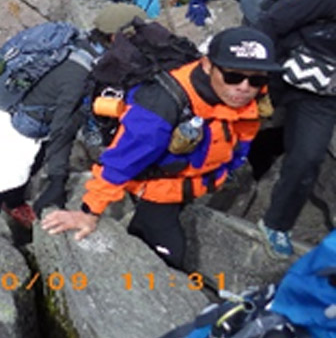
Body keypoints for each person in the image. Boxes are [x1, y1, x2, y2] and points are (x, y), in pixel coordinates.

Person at [41, 26, 281, 269]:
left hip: (194, 181)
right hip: (159, 189)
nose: (244, 87)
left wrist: (230, 166)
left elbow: (243, 134)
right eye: (233, 76)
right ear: (208, 65)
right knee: (169, 258)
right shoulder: (162, 104)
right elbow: (121, 161)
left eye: (257, 79)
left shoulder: (251, 95)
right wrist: (88, 213)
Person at [0, 4, 148, 228]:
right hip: (24, 129)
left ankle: (13, 203)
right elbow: (63, 129)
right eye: (136, 36)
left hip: (23, 112)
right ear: (115, 36)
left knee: (27, 167)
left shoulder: (79, 42)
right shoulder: (80, 74)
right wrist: (56, 181)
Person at [256, 0, 336, 259]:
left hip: (323, 93)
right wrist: (256, 72)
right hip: (280, 69)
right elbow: (273, 22)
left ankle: (277, 223)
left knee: (308, 158)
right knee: (236, 124)